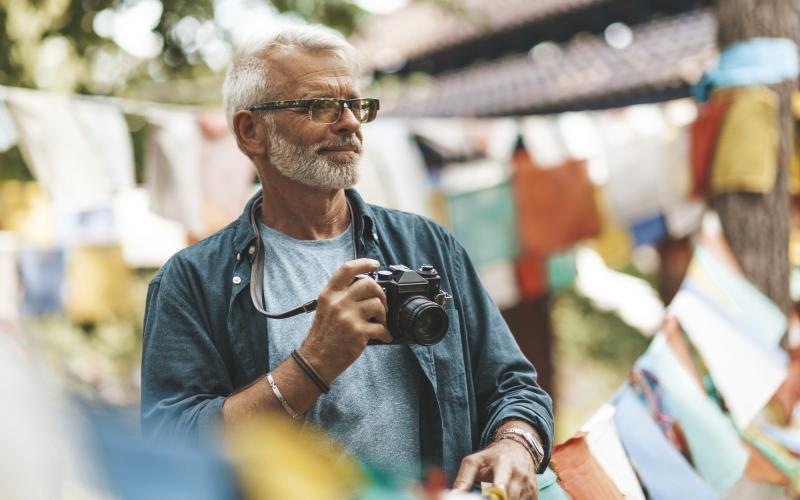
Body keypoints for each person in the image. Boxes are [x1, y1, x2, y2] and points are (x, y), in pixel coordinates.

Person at [140, 25, 553, 499]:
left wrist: (517, 444)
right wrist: (313, 363)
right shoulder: (192, 282)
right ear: (251, 131)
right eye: (319, 106)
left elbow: (513, 385)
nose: (350, 123)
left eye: (355, 105)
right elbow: (170, 448)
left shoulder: (427, 245)